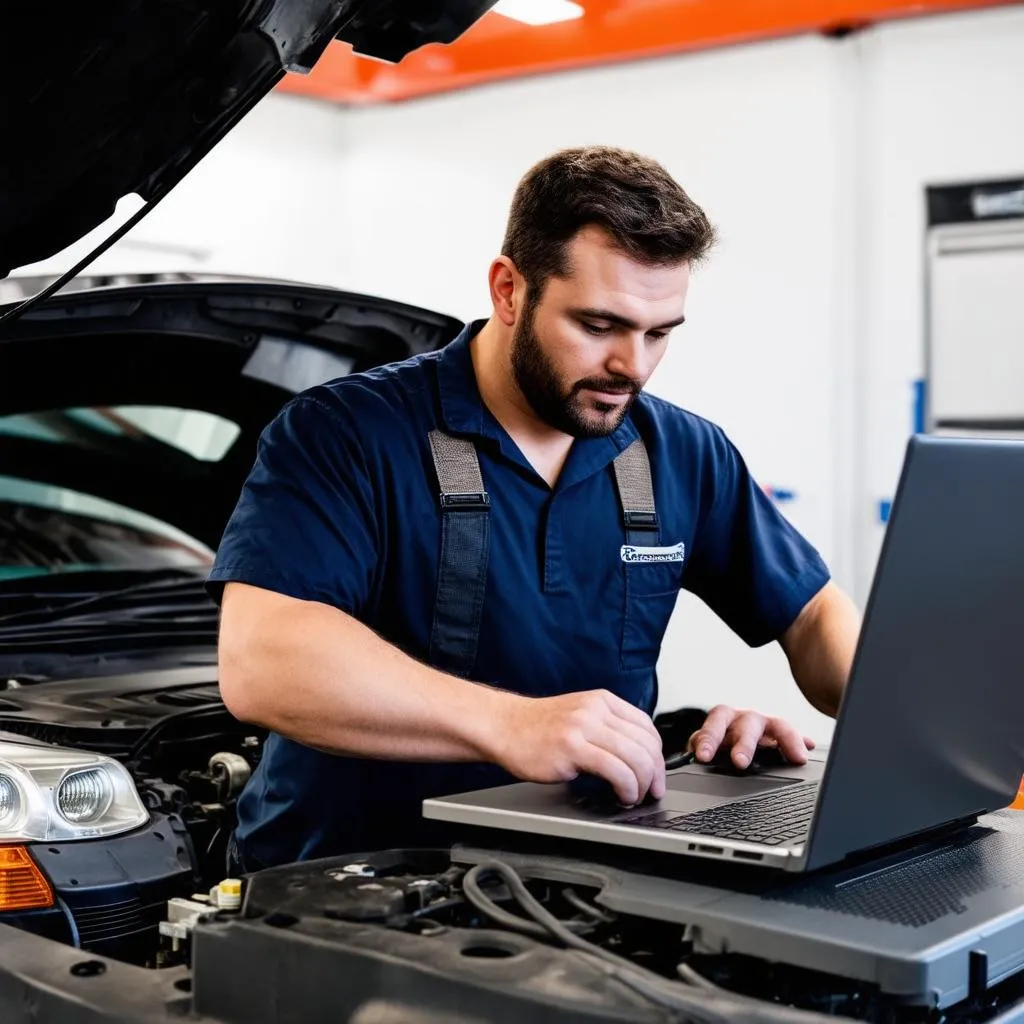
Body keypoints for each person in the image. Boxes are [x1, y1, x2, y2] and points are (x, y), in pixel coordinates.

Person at [208, 145, 861, 872]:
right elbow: (262, 662)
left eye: (659, 333)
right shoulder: (347, 433)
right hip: (349, 890)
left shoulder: (683, 452)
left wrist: (901, 727)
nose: (633, 367)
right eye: (599, 325)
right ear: (509, 290)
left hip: (588, 886)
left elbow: (812, 616)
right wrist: (510, 724)